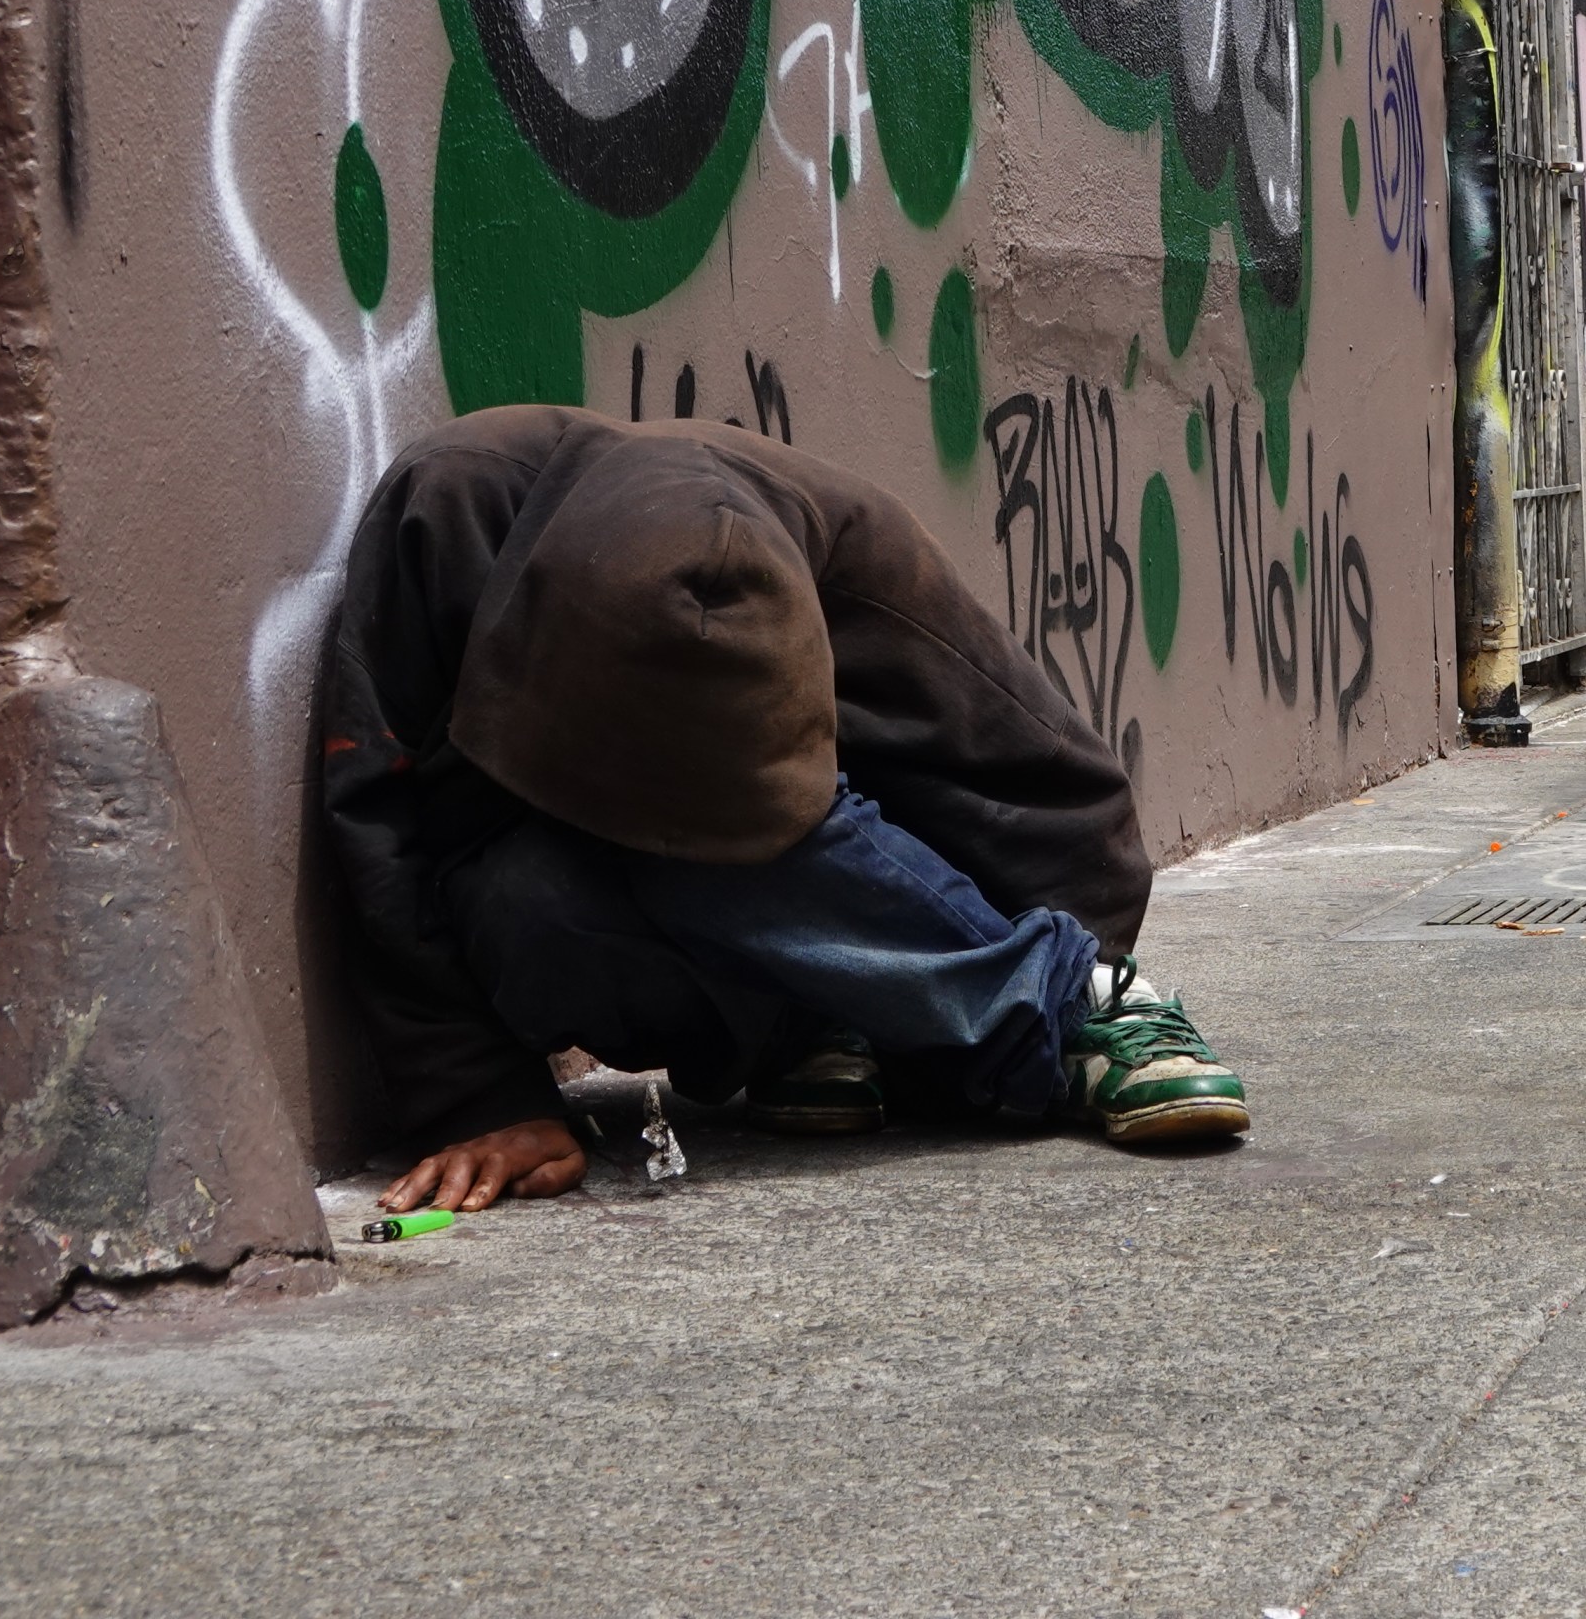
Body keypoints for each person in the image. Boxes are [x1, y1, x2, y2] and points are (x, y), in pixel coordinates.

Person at [316, 405, 1249, 1218]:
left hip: (949, 876)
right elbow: (379, 824)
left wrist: (1061, 990)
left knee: (725, 831)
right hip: (656, 909)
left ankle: (1078, 1006)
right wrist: (478, 1098)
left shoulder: (839, 569)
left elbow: (1059, 824)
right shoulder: (445, 515)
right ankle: (805, 1030)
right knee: (521, 893)